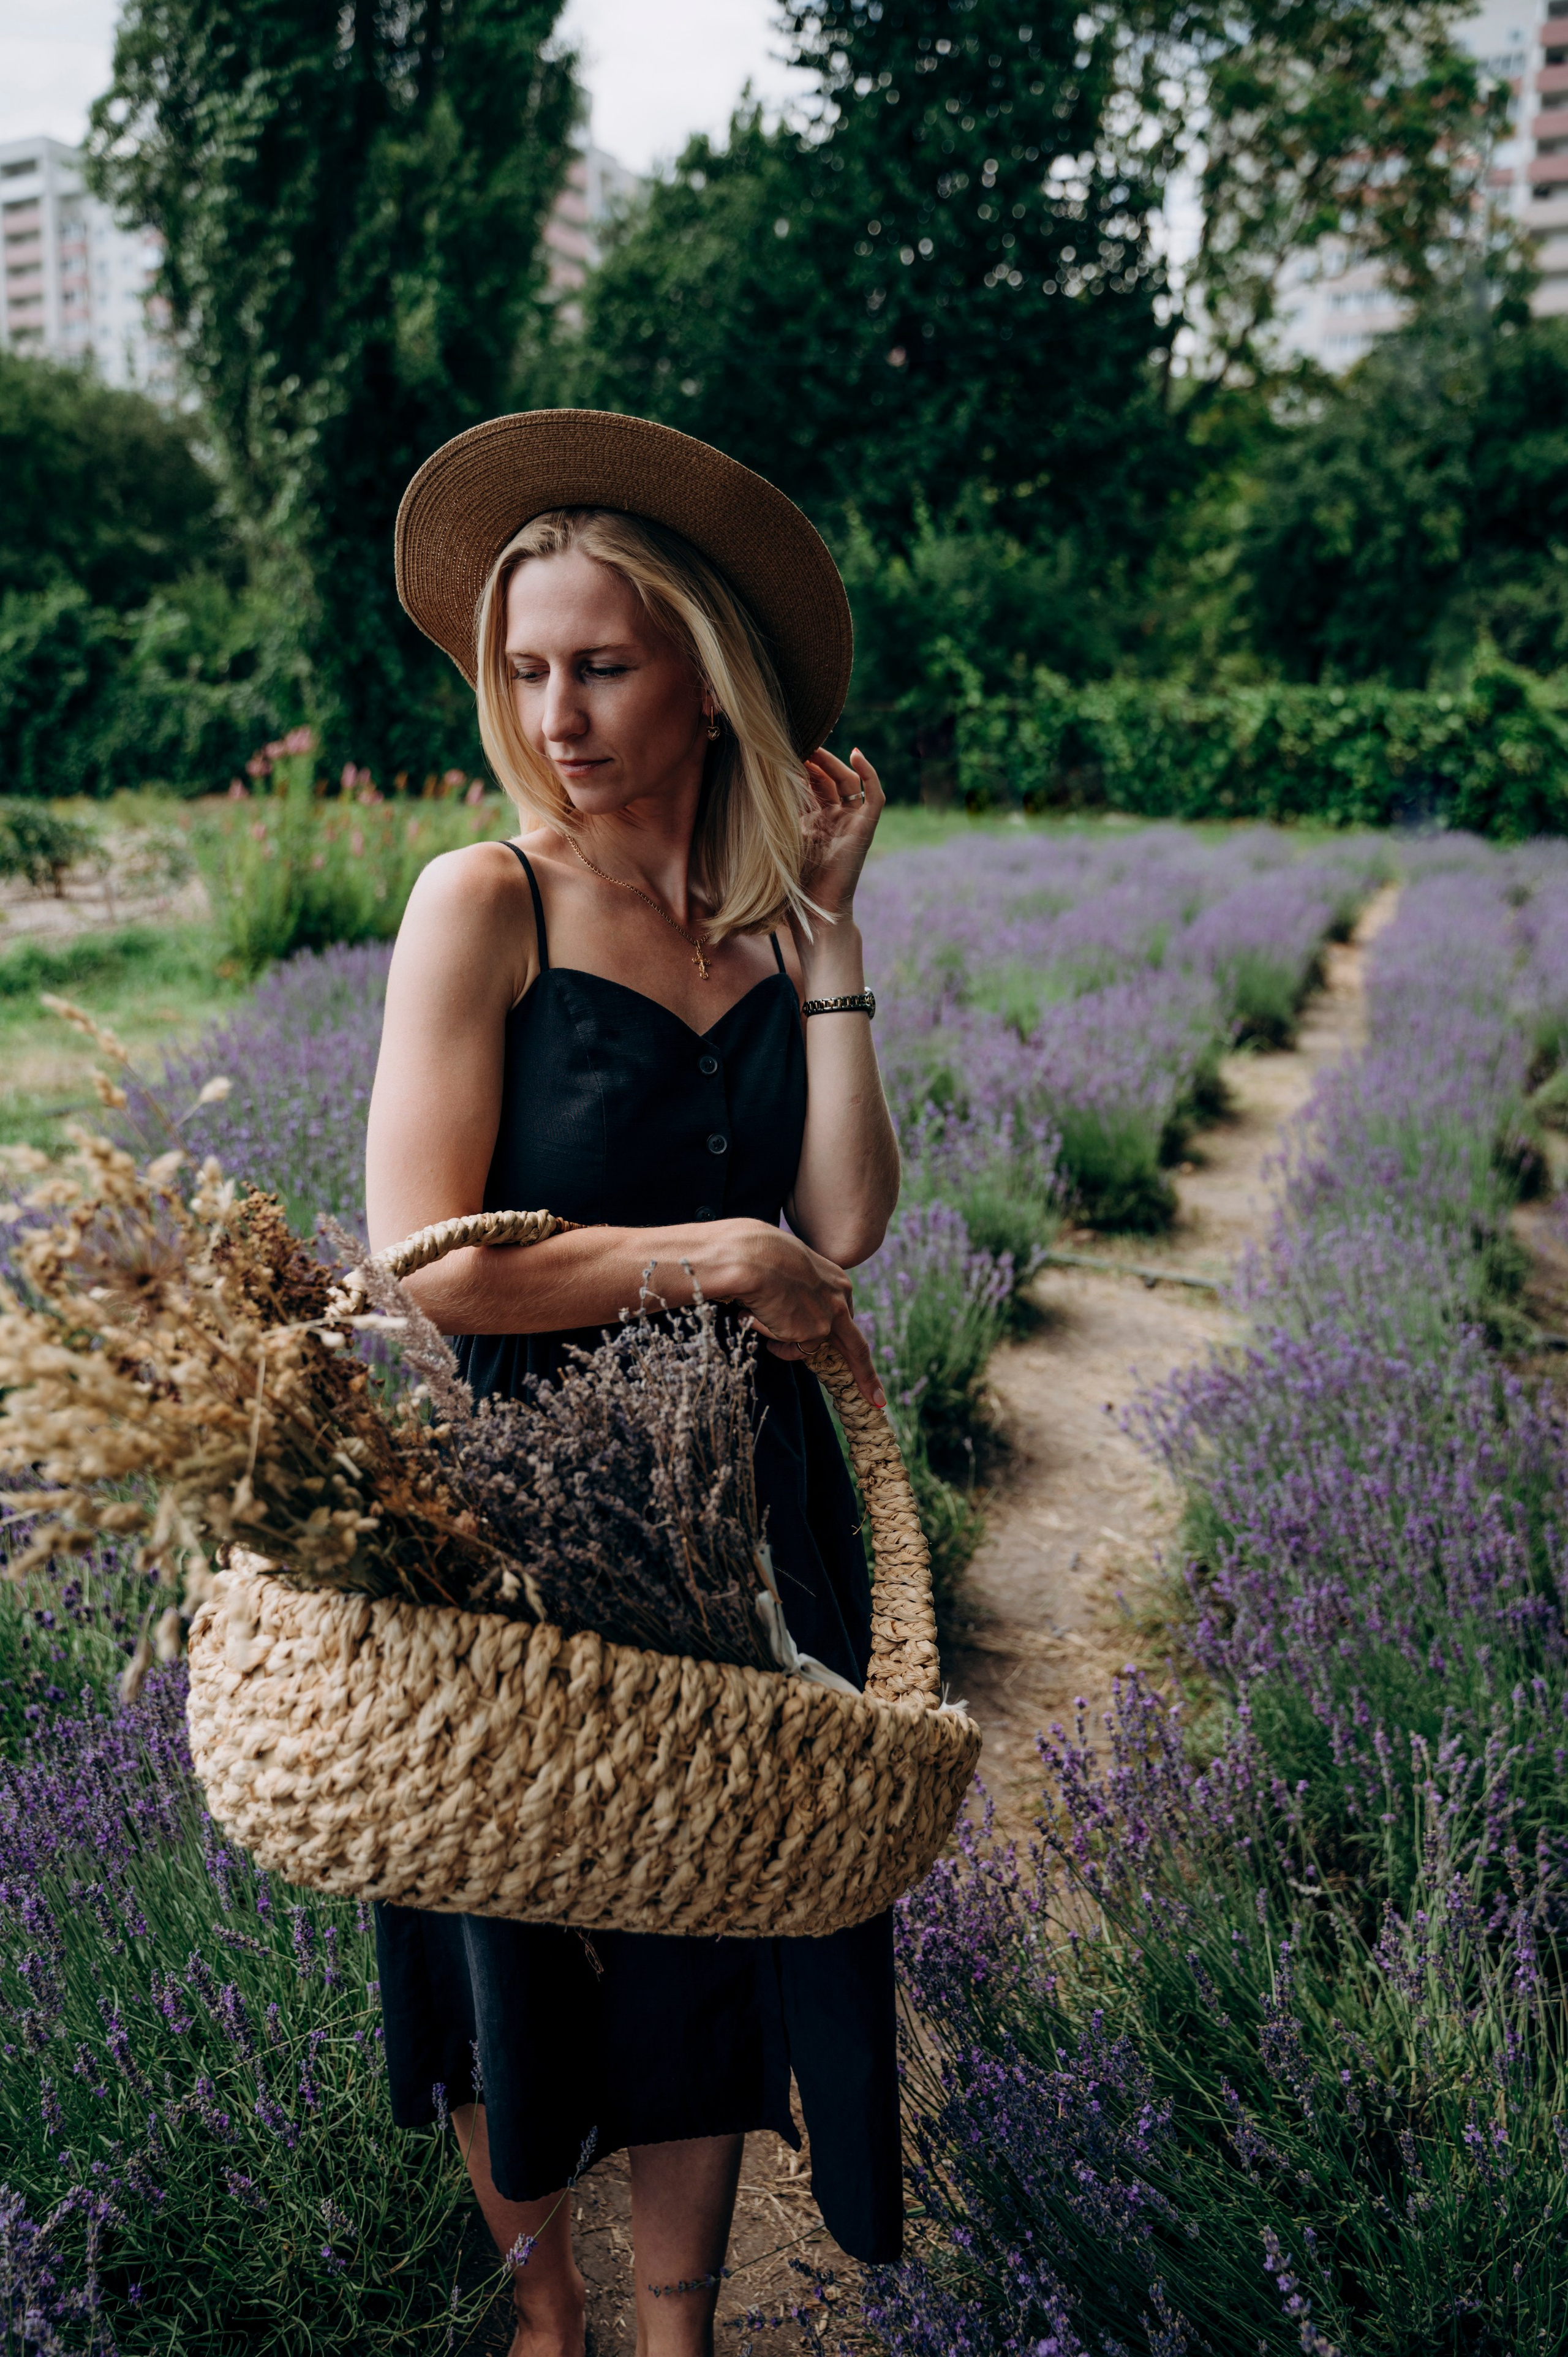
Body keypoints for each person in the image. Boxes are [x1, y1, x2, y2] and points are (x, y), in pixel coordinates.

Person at [364, 411, 903, 2357]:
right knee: (506, 1919)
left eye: (600, 665)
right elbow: (428, 1263)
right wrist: (716, 1259)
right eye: (526, 671)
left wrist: (830, 937)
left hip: (746, 1498)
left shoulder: (765, 918)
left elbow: (843, 1221)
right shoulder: (484, 898)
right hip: (527, 1495)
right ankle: (548, 2316)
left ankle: (676, 2325)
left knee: (716, 1909)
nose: (557, 715)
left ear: (703, 676)